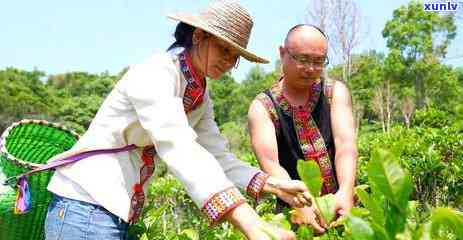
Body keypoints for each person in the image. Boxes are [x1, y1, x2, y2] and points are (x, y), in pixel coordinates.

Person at [43, 1, 312, 240]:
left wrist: (275, 185)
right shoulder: (156, 73)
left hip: (113, 213)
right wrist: (250, 223)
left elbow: (217, 155)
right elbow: (179, 146)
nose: (229, 62)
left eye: (235, 56)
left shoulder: (200, 94)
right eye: (223, 49)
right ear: (198, 35)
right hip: (86, 206)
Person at [248, 24, 358, 234]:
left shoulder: (334, 92)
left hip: (343, 205)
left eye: (318, 62)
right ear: (282, 53)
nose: (310, 69)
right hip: (295, 212)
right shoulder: (262, 108)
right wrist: (300, 204)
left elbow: (346, 144)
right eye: (303, 59)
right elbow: (270, 164)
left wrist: (346, 190)